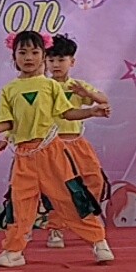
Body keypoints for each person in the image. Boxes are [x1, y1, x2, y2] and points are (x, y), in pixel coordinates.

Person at [0, 31, 114, 268]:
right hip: (24, 157)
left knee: (70, 198)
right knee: (20, 203)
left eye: (34, 52)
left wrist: (91, 111)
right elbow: (8, 122)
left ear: (42, 56)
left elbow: (67, 113)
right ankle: (14, 250)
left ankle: (98, 241)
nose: (28, 57)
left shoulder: (50, 86)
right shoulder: (9, 89)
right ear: (14, 57)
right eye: (22, 52)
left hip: (52, 153)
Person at [42, 34, 111, 248]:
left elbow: (104, 100)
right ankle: (56, 228)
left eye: (61, 59)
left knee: (94, 180)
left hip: (77, 143)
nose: (56, 64)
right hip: (53, 144)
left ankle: (86, 219)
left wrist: (85, 93)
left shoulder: (77, 86)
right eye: (51, 60)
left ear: (72, 61)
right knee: (58, 188)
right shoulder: (43, 86)